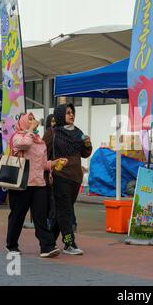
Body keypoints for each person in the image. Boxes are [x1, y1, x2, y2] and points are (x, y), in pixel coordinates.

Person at [6, 113, 68, 257]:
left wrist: (54, 163)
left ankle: (47, 247)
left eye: (34, 119)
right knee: (17, 216)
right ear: (23, 122)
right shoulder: (18, 136)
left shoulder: (38, 140)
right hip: (21, 183)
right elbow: (24, 144)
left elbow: (41, 164)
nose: (34, 121)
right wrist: (30, 130)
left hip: (39, 183)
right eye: (30, 119)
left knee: (40, 216)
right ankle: (11, 244)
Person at [43, 103, 92, 255]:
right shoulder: (52, 133)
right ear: (60, 115)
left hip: (76, 178)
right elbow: (42, 154)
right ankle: (69, 243)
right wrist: (48, 171)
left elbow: (84, 153)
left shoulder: (78, 132)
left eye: (72, 112)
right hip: (60, 176)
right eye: (68, 112)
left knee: (63, 211)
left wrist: (88, 144)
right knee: (65, 211)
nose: (71, 115)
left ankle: (48, 242)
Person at [44, 114, 57, 231]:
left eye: (55, 121)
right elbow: (45, 155)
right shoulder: (49, 133)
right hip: (50, 170)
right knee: (52, 199)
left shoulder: (58, 133)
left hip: (57, 169)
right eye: (52, 121)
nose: (54, 124)